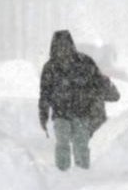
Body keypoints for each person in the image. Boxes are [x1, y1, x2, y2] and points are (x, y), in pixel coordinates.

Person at [38, 30, 119, 170]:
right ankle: (66, 172)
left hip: (79, 112)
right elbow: (45, 93)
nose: (63, 49)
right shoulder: (51, 67)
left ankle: (79, 172)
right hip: (65, 114)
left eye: (65, 45)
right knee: (69, 144)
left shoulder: (83, 62)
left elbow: (97, 81)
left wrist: (108, 91)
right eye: (60, 46)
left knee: (77, 144)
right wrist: (43, 114)